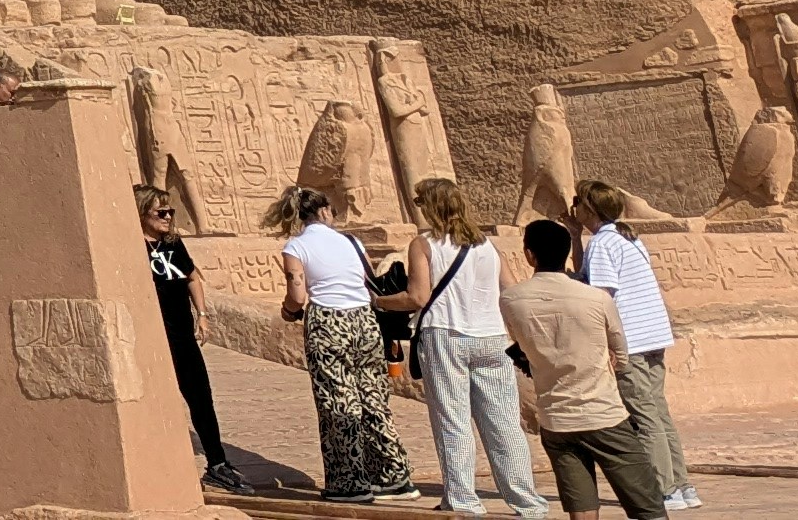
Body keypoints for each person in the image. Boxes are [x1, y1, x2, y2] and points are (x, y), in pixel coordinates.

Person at [387, 175, 548, 518]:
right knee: (504, 422)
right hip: (491, 337)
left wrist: (380, 300)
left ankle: (462, 499)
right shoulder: (487, 246)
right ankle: (527, 501)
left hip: (446, 334)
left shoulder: (425, 244)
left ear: (430, 207)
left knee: (453, 419)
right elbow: (511, 292)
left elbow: (418, 296)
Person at [507, 218, 666, 518]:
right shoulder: (597, 298)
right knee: (649, 508)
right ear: (568, 253)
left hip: (556, 419)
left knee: (581, 511)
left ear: (529, 255)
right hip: (603, 414)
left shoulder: (511, 300)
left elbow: (522, 344)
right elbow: (621, 355)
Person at [271, 182, 415, 501]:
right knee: (372, 395)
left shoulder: (296, 247)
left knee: (337, 399)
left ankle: (349, 483)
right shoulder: (352, 241)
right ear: (324, 211)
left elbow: (298, 292)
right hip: (364, 320)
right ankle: (393, 475)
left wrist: (288, 310)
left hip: (327, 321)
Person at [570, 182, 688, 510]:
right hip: (652, 333)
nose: (574, 207)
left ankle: (664, 490)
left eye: (578, 203)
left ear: (589, 209)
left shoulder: (604, 243)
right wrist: (576, 237)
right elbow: (588, 275)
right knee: (656, 410)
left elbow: (601, 295)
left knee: (643, 413)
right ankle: (681, 484)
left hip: (632, 337)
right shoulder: (625, 236)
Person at [141, 186, 245, 494]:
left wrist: (202, 314)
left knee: (201, 398)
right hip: (153, 339)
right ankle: (159, 467)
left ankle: (217, 463)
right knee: (157, 403)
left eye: (170, 212)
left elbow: (192, 277)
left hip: (182, 333)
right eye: (161, 213)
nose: (168, 218)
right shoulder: (131, 248)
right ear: (142, 214)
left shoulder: (173, 244)